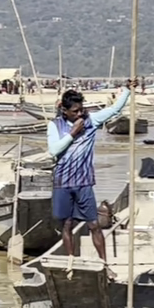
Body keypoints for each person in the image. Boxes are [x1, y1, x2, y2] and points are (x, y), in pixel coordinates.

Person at [47, 87, 130, 259]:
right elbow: (54, 150)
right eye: (74, 111)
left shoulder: (91, 121)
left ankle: (104, 264)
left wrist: (128, 90)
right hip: (62, 183)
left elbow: (115, 109)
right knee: (67, 224)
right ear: (64, 110)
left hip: (84, 183)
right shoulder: (55, 125)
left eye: (81, 110)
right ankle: (71, 261)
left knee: (94, 225)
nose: (79, 114)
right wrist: (73, 133)